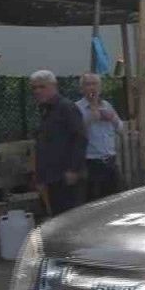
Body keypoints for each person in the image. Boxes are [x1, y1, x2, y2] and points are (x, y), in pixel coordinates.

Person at [31, 69, 87, 215]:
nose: (37, 91)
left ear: (53, 86)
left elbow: (80, 138)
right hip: (51, 177)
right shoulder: (45, 110)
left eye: (42, 87)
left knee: (71, 217)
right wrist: (40, 177)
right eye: (34, 88)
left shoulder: (66, 107)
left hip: (66, 176)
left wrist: (73, 169)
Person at [76, 72, 124, 201]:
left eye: (95, 84)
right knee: (94, 202)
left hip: (110, 161)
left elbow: (121, 129)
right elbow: (75, 134)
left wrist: (113, 118)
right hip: (91, 164)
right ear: (82, 89)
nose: (92, 88)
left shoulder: (107, 105)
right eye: (88, 84)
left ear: (100, 87)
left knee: (115, 200)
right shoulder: (77, 108)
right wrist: (90, 118)